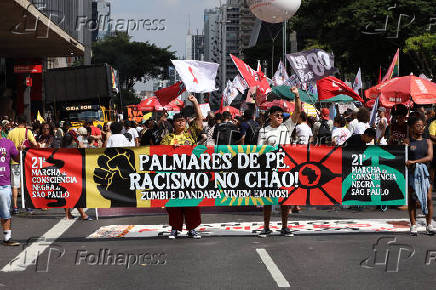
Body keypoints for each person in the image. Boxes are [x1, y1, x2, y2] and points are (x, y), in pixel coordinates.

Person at [257, 87, 301, 237]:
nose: (280, 117)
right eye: (277, 115)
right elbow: (259, 150)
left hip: (285, 168)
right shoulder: (264, 131)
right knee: (268, 199)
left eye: (282, 115)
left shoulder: (286, 127)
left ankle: (284, 226)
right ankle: (266, 227)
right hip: (269, 169)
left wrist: (297, 96)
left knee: (285, 198)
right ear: (270, 116)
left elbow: (298, 113)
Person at [160, 95, 204, 239]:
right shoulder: (167, 138)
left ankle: (192, 229)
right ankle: (174, 228)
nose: (181, 123)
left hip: (190, 174)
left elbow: (200, 121)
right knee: (173, 203)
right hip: (173, 176)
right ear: (174, 124)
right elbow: (160, 153)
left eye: (183, 121)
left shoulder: (190, 134)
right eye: (178, 121)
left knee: (191, 202)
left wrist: (196, 103)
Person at [406, 114, 434, 236]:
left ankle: (429, 225)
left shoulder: (428, 142)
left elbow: (429, 157)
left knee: (428, 199)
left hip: (425, 175)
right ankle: (413, 225)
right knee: (412, 199)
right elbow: (402, 157)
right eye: (418, 126)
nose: (421, 128)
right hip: (412, 175)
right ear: (412, 127)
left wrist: (415, 162)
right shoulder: (408, 142)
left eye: (422, 126)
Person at [7, 115, 38, 214]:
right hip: (25, 161)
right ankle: (28, 205)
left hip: (14, 161)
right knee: (26, 183)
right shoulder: (27, 132)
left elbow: (7, 145)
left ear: (16, 122)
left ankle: (15, 206)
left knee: (15, 185)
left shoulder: (11, 132)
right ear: (25, 123)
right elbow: (35, 144)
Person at [0, 125, 20, 246]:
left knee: (5, 212)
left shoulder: (8, 143)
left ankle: (7, 238)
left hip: (4, 185)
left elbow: (17, 158)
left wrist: (19, 150)